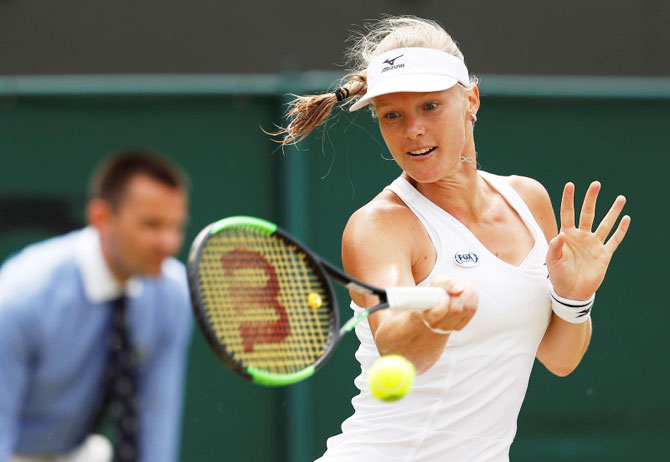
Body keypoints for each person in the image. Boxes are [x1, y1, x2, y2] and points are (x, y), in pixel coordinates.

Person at [273, 16, 631, 461]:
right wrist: (436, 316)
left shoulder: (528, 200)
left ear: (470, 100)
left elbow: (561, 360)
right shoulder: (379, 226)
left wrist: (575, 297)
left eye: (430, 106)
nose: (413, 131)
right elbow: (398, 352)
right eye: (392, 115)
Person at [0, 149, 193, 462]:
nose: (169, 243)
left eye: (177, 227)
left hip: (78, 452)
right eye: (152, 225)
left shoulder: (172, 293)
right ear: (101, 217)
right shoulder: (20, 298)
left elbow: (156, 422)